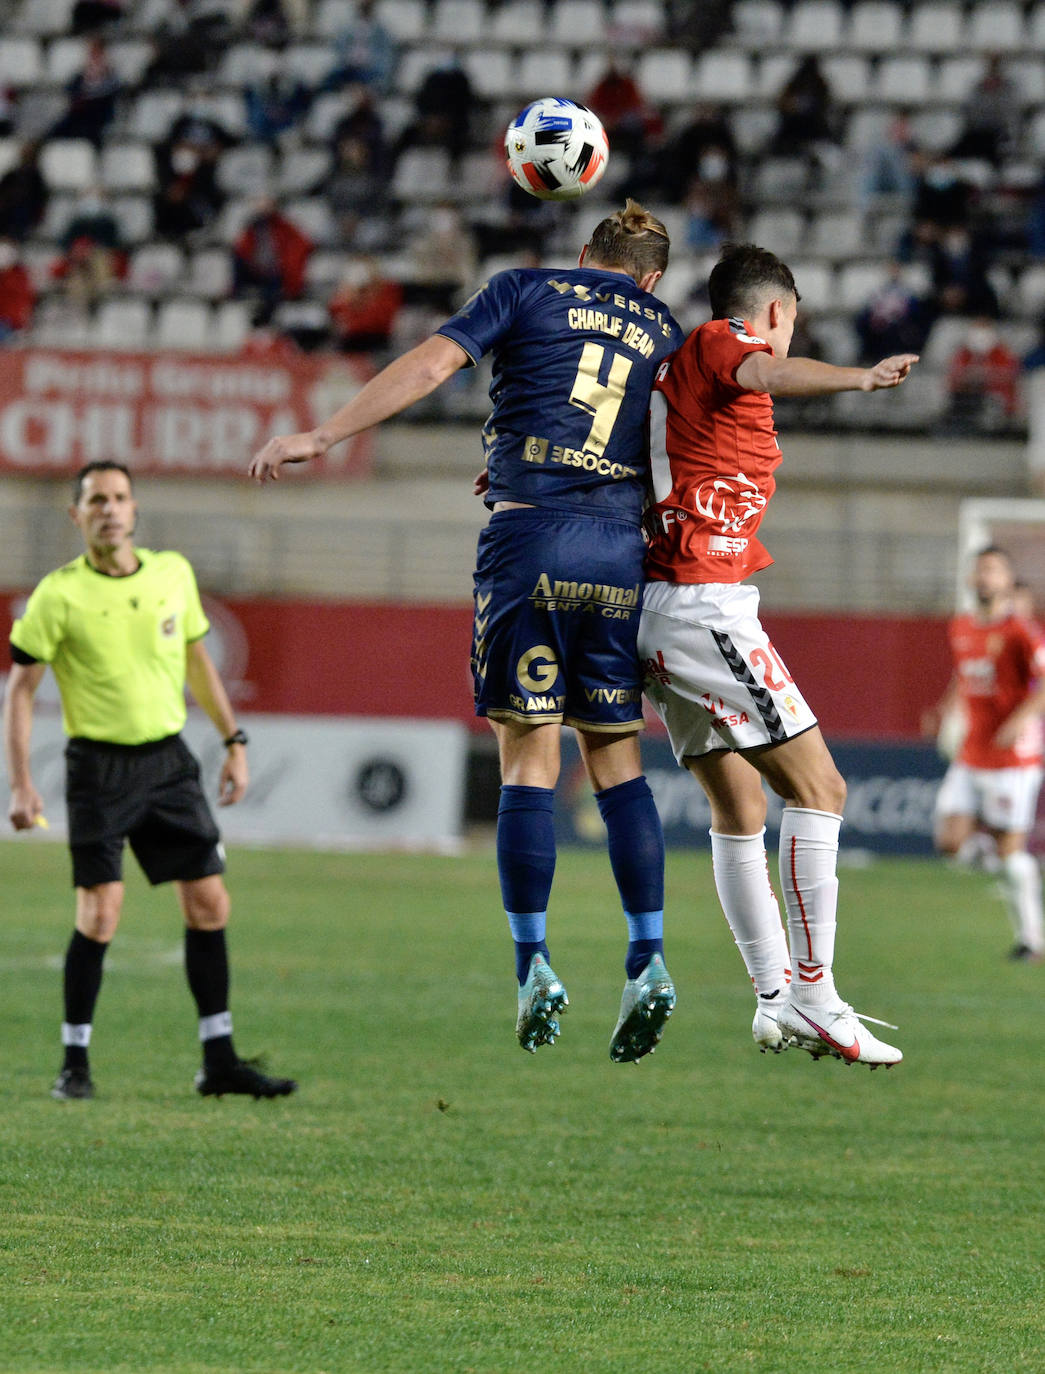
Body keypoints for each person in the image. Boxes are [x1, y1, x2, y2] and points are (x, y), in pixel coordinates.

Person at [249, 202, 685, 1063]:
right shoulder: (661, 325)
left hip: (532, 533)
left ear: (584, 250)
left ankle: (534, 965)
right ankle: (647, 956)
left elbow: (429, 365)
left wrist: (326, 431)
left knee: (528, 756)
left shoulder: (524, 289)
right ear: (650, 277)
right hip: (618, 546)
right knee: (615, 756)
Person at [637, 242, 918, 1067]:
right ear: (773, 314)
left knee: (738, 811)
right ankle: (815, 993)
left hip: (665, 608)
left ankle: (771, 1002)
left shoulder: (689, 381)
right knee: (821, 787)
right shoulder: (722, 341)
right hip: (700, 602)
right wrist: (859, 378)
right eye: (787, 326)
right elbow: (760, 373)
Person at [3, 462, 298, 1101]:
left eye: (118, 498)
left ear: (135, 511)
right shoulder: (57, 595)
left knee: (210, 904)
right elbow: (20, 690)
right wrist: (21, 783)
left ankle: (218, 1062)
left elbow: (199, 662)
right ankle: (74, 1064)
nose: (109, 509)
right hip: (98, 771)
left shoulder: (173, 575)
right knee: (100, 913)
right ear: (76, 516)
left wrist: (233, 740)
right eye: (95, 501)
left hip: (168, 765)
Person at [924, 546, 1045, 962]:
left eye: (992, 570)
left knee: (1011, 851)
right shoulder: (961, 627)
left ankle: (1031, 939)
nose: (983, 577)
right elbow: (963, 674)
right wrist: (945, 709)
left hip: (1013, 758)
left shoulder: (1021, 631)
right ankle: (995, 852)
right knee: (948, 840)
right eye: (978, 571)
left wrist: (1019, 720)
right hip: (972, 752)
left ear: (1008, 582)